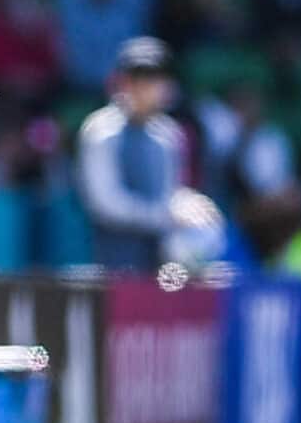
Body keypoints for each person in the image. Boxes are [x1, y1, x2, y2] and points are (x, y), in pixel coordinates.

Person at [76, 35, 219, 272]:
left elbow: (170, 193)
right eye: (137, 78)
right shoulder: (101, 131)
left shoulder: (169, 135)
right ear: (121, 82)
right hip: (111, 262)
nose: (144, 87)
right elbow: (106, 204)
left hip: (160, 264)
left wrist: (189, 208)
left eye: (153, 78)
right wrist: (166, 215)